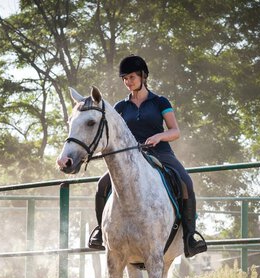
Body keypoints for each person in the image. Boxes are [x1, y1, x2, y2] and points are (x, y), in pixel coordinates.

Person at [88, 55, 207, 258]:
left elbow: (175, 131)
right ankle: (101, 232)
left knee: (185, 181)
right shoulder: (120, 107)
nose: (128, 82)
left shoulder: (160, 102)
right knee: (102, 184)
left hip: (160, 151)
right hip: (130, 157)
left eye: (132, 77)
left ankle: (189, 237)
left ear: (143, 76)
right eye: (124, 78)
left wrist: (160, 136)